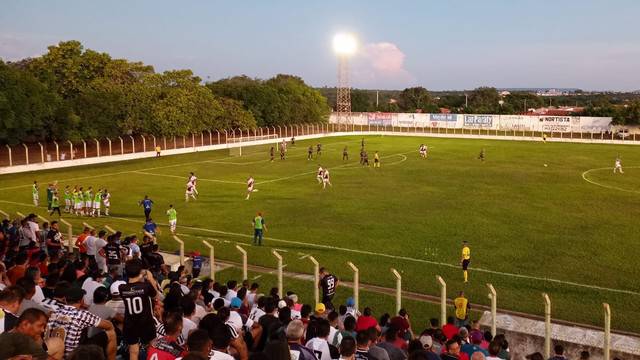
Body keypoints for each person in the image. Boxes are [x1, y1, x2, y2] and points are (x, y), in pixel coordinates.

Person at [47, 287, 116, 358]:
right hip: (72, 355)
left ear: (65, 300)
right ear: (81, 301)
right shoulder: (82, 314)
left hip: (53, 353)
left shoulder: (54, 312)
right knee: (111, 333)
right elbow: (109, 325)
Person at [119, 259, 158, 360]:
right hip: (146, 321)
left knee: (133, 351)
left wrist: (140, 275)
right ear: (140, 271)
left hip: (130, 323)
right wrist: (150, 278)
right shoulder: (146, 286)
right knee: (152, 347)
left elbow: (132, 285)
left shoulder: (122, 287)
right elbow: (155, 295)